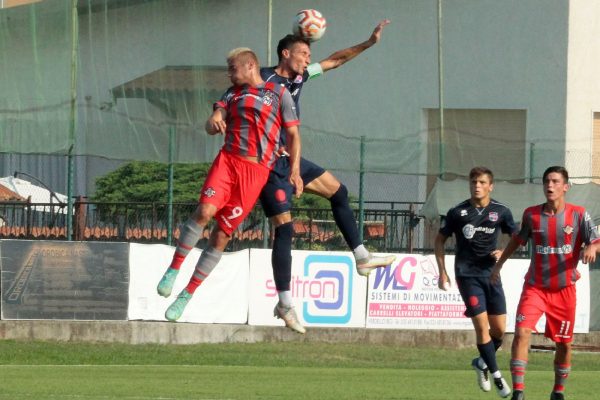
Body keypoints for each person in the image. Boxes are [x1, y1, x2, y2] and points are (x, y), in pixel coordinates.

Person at [260, 19, 395, 334]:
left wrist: (368, 42)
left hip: (290, 158)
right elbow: (235, 92)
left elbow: (334, 60)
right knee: (285, 229)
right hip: (268, 163)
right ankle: (285, 302)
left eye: (309, 54)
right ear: (285, 53)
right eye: (303, 53)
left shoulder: (302, 76)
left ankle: (361, 256)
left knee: (339, 192)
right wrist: (219, 111)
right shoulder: (263, 79)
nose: (308, 59)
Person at [155, 47, 303, 322]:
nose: (229, 74)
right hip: (228, 162)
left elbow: (293, 134)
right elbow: (214, 122)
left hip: (255, 173)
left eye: (233, 69)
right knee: (204, 211)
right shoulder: (231, 94)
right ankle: (174, 268)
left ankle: (187, 293)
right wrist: (212, 122)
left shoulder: (279, 94)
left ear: (249, 66)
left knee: (222, 235)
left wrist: (295, 170)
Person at [491, 166, 600, 400]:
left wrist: (592, 246)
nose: (549, 186)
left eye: (555, 181)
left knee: (565, 345)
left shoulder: (579, 214)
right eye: (546, 182)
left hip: (564, 291)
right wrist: (500, 264)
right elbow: (517, 241)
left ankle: (558, 392)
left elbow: (596, 240)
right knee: (521, 333)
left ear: (565, 187)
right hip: (535, 288)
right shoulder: (532, 215)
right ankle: (519, 392)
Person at [434, 166, 516, 398]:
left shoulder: (501, 211)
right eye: (473, 182)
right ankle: (498, 376)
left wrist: (503, 251)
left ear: (491, 186)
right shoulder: (457, 212)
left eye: (481, 182)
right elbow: (439, 240)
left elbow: (517, 237)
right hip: (467, 275)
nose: (477, 186)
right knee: (482, 327)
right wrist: (443, 272)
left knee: (499, 331)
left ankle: (481, 363)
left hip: (492, 275)